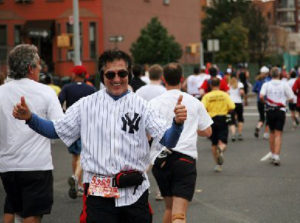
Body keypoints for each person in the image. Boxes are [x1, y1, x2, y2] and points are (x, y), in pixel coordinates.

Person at [13, 49, 187, 223]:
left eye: (122, 73)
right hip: (98, 196)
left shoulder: (143, 106)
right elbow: (55, 130)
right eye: (110, 74)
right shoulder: (86, 105)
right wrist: (30, 118)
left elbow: (168, 139)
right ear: (102, 76)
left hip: (134, 193)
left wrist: (177, 125)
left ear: (130, 74)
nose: (117, 79)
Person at [0, 44, 64, 223]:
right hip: (36, 164)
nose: (41, 68)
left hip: (6, 165)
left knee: (14, 208)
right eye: (38, 65)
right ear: (30, 68)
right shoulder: (45, 92)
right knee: (32, 215)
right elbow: (59, 127)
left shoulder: (1, 92)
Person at [150, 63, 212, 223]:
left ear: (164, 79)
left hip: (160, 159)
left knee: (169, 209)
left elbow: (148, 134)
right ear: (182, 79)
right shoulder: (194, 102)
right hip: (185, 159)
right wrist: (191, 128)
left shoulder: (153, 103)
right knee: (179, 215)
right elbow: (207, 131)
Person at [58, 65, 97, 199]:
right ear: (85, 75)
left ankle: (78, 181)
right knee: (85, 154)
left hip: (72, 125)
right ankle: (79, 182)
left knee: (76, 155)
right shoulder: (91, 89)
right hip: (88, 125)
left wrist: (64, 115)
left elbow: (59, 102)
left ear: (74, 75)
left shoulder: (67, 88)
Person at [260, 67, 294, 166]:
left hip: (270, 110)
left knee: (272, 132)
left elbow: (261, 96)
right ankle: (276, 156)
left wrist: (266, 102)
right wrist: (284, 100)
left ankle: (272, 153)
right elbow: (291, 98)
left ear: (270, 74)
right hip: (280, 110)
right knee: (278, 134)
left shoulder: (266, 84)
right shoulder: (284, 84)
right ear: (279, 74)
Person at [201, 78, 235, 172]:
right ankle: (221, 149)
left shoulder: (207, 96)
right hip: (222, 118)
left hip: (211, 120)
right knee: (223, 141)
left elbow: (202, 107)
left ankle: (217, 165)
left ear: (211, 85)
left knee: (213, 143)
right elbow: (232, 106)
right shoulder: (224, 95)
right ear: (219, 85)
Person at [252, 66, 270, 139]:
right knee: (268, 118)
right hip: (267, 101)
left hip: (259, 101)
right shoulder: (269, 80)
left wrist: (258, 92)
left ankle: (258, 126)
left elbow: (254, 90)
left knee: (261, 117)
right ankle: (265, 134)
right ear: (267, 73)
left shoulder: (258, 80)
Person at [228, 73, 245, 141]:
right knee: (240, 119)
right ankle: (240, 134)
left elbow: (226, 93)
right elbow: (241, 92)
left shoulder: (228, 85)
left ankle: (233, 135)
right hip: (238, 103)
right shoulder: (240, 84)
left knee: (231, 120)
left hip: (231, 103)